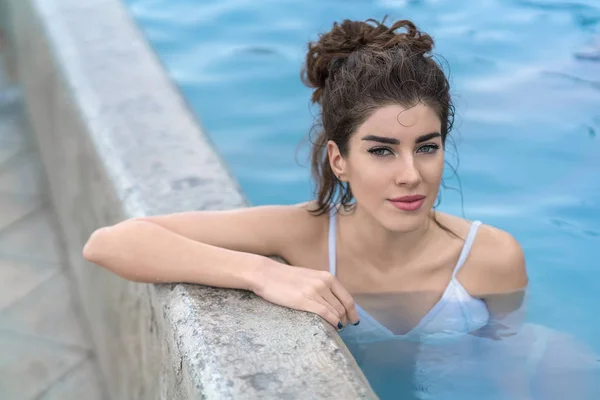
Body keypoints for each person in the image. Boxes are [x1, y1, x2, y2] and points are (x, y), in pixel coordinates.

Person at [82, 17, 531, 397]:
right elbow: (112, 242)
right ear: (340, 160)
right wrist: (263, 272)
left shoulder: (491, 257)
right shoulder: (305, 234)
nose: (411, 174)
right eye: (381, 150)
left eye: (427, 147)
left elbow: (507, 375)